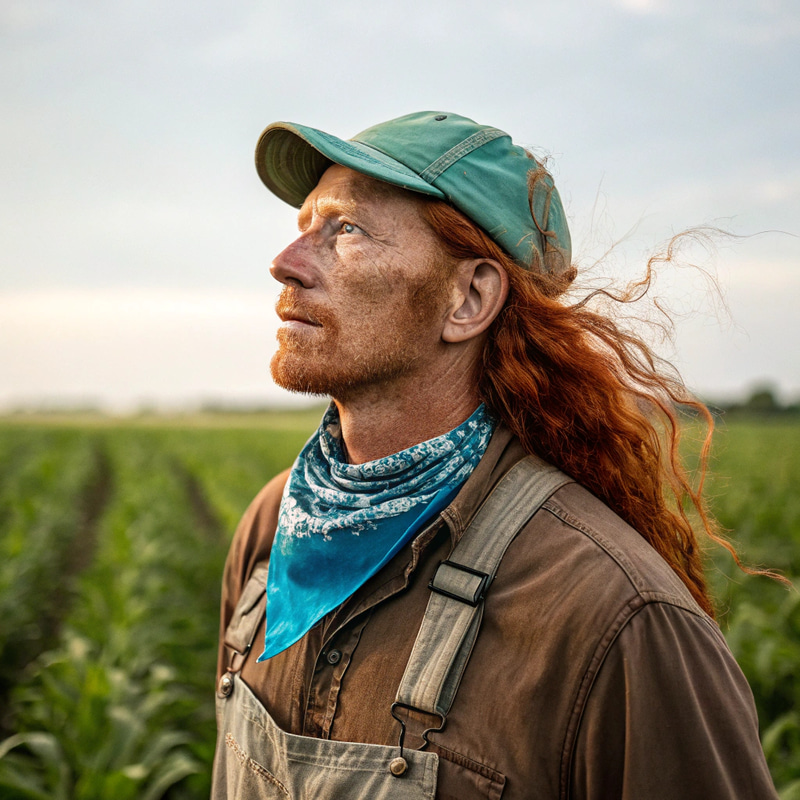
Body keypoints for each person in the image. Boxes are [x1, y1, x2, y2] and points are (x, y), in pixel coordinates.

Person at [212, 111, 778, 799]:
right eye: (307, 226)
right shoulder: (275, 527)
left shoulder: (616, 616)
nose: (287, 262)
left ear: (469, 298)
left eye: (347, 230)